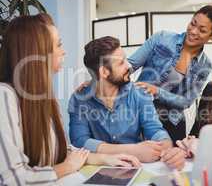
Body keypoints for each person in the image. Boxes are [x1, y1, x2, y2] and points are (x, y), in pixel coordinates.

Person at [0, 14, 141, 185]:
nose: (63, 51)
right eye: (58, 44)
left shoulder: (46, 100)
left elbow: (65, 151)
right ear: (37, 52)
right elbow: (12, 179)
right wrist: (65, 168)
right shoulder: (5, 97)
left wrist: (104, 159)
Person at [68, 36, 186, 169]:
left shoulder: (140, 93)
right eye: (121, 62)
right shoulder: (79, 99)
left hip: (135, 168)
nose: (129, 65)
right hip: (97, 168)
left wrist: (167, 148)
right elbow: (79, 141)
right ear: (104, 72)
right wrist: (132, 150)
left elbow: (155, 130)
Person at [128, 5, 212, 142]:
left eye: (202, 30)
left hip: (172, 122)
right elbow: (130, 65)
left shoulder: (205, 65)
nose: (193, 31)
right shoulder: (162, 38)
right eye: (193, 23)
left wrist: (157, 91)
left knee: (171, 161)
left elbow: (186, 101)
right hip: (140, 113)